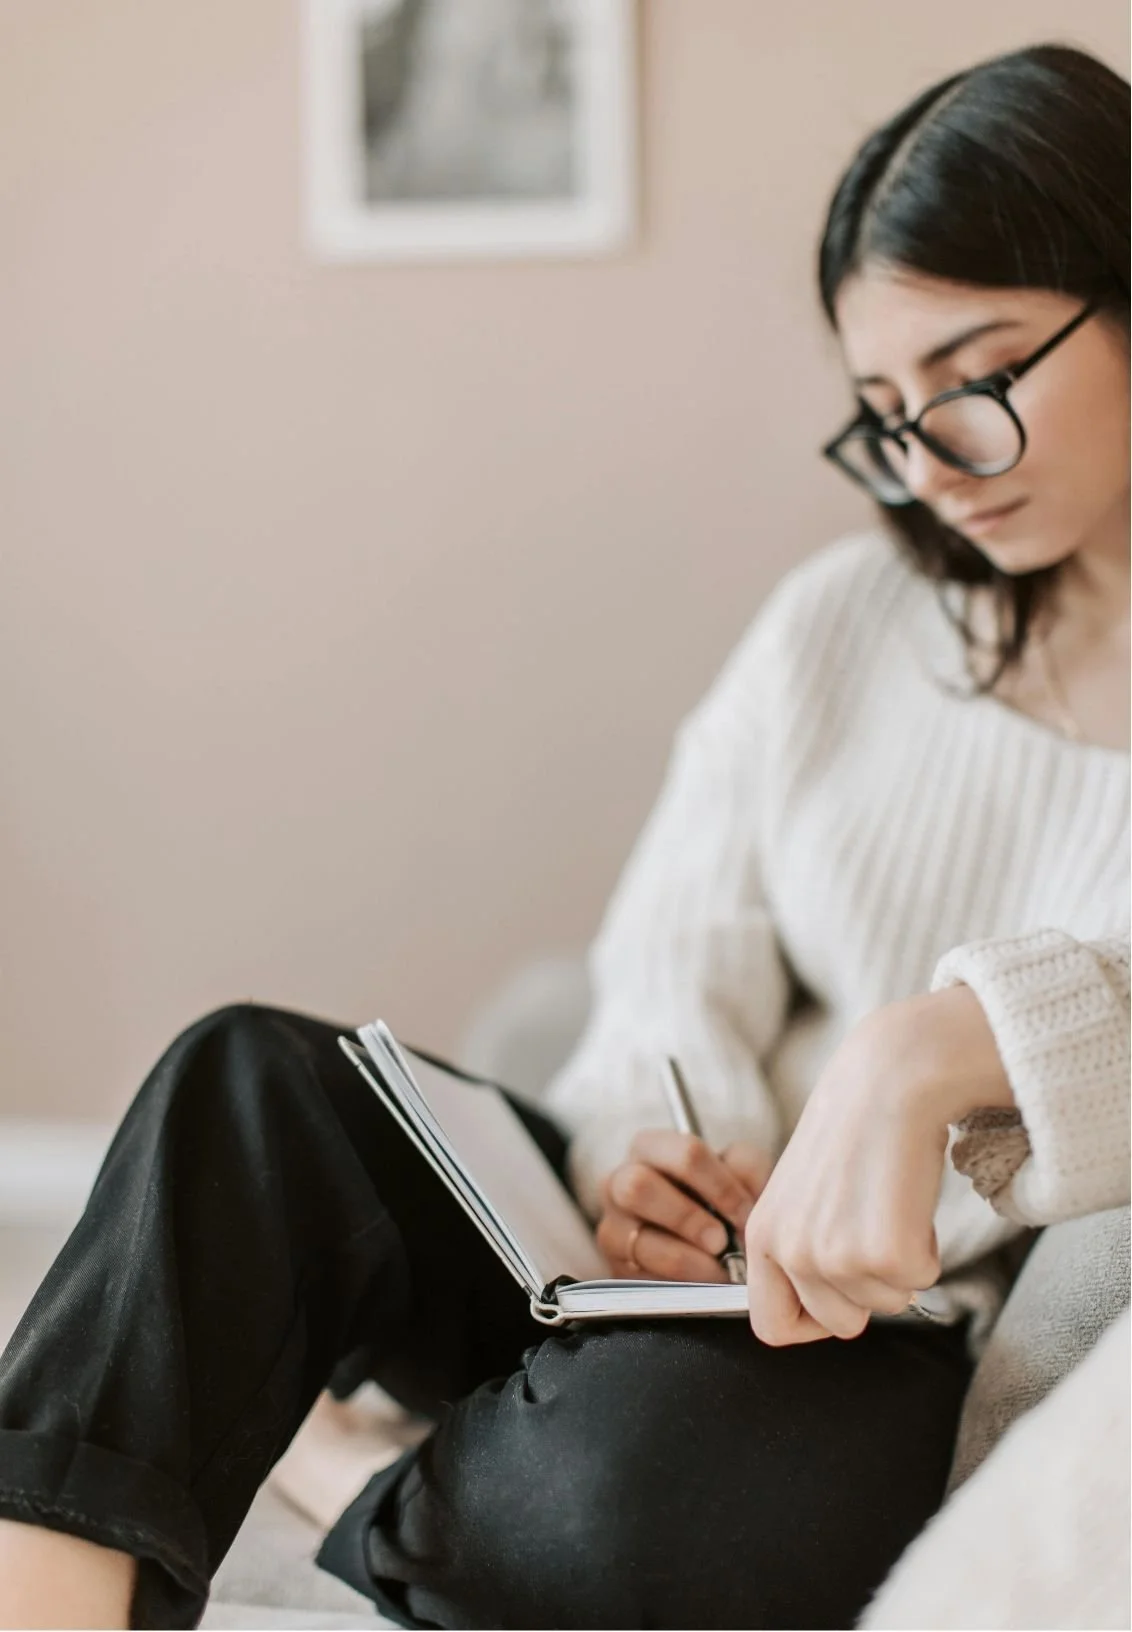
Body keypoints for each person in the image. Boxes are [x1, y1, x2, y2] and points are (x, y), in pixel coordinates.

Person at [1, 39, 1128, 1632]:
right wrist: (648, 1155)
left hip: (883, 1348)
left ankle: (338, 1475)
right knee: (240, 1086)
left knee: (614, 1514)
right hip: (657, 1271)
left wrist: (932, 1052)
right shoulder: (845, 626)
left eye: (980, 377)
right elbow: (674, 949)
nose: (930, 461)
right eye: (884, 409)